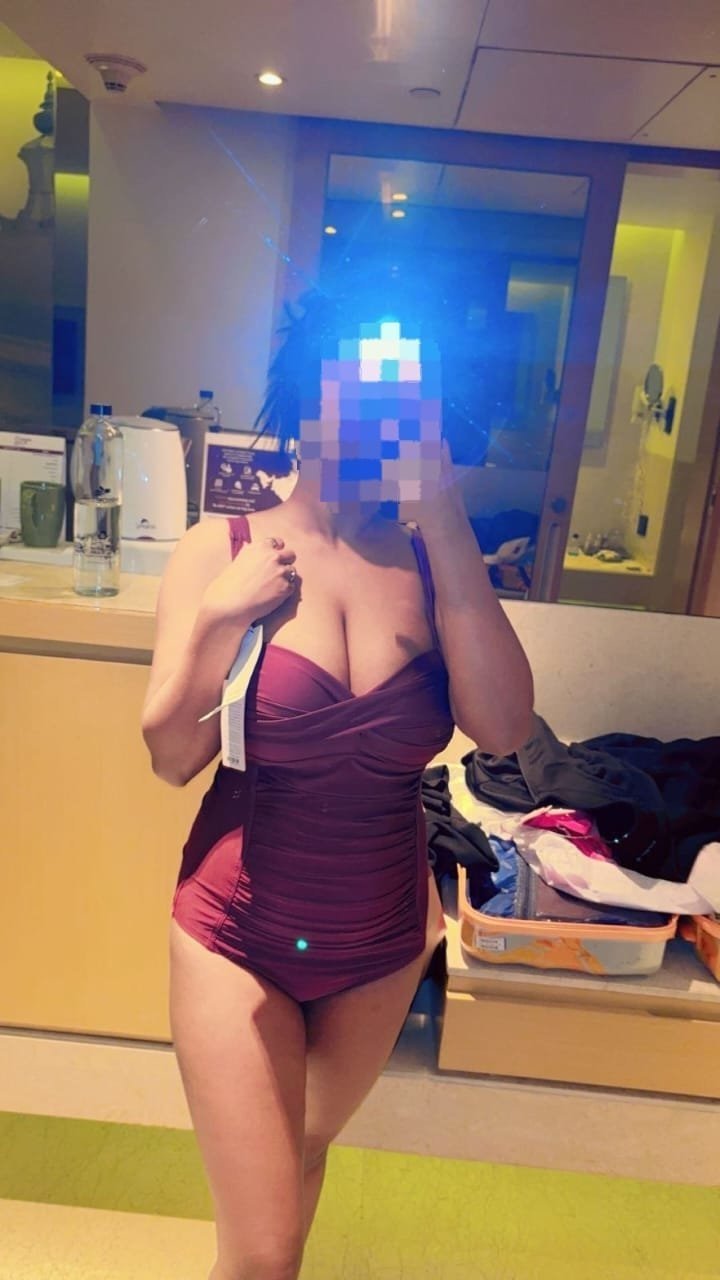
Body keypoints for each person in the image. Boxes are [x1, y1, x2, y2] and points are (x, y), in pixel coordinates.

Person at [141, 292, 534, 1280]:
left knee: (298, 1165)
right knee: (265, 1248)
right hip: (237, 929)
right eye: (357, 384)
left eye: (407, 396)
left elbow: (502, 727)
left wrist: (446, 515)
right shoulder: (225, 549)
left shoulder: (433, 562)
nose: (379, 414)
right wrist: (220, 618)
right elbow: (171, 754)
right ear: (308, 393)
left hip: (382, 940)